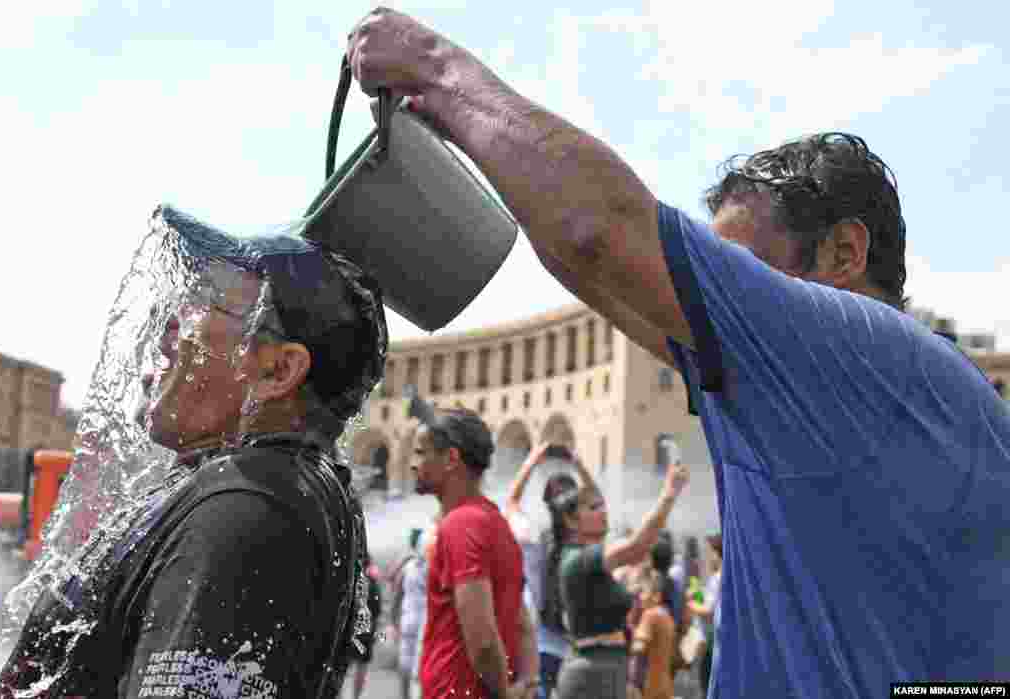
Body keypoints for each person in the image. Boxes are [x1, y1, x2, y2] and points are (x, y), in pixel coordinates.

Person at [347, 9, 1010, 692]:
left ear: (845, 253)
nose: (726, 296)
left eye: (745, 273)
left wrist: (431, 63)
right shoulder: (922, 401)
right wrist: (459, 125)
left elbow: (594, 232)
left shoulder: (862, 354)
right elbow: (602, 273)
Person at [0, 206, 387, 699]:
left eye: (202, 301)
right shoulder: (263, 488)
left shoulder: (247, 511)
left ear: (277, 372)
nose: (166, 330)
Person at [410, 407, 539, 699]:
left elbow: (481, 640)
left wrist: (505, 695)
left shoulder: (461, 524)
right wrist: (529, 684)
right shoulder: (497, 523)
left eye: (421, 453)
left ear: (451, 459)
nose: (412, 464)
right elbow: (523, 625)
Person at [544, 460, 689, 699]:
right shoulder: (578, 559)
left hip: (606, 670)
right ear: (571, 521)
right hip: (592, 676)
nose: (603, 511)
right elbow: (637, 548)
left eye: (601, 505)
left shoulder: (587, 559)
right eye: (593, 508)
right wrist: (668, 494)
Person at [505, 441, 595, 699]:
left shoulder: (531, 539)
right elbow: (597, 501)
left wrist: (532, 459)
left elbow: (511, 501)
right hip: (578, 651)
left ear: (546, 502)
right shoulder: (584, 540)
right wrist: (577, 461)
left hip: (539, 648)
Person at [388, 528, 430, 699]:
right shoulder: (433, 569)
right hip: (425, 624)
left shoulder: (408, 567)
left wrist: (393, 621)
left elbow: (397, 596)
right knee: (420, 671)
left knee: (405, 668)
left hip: (407, 621)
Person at [627, 571, 676, 699]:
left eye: (643, 592)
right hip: (665, 686)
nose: (640, 597)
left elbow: (639, 648)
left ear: (656, 596)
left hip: (649, 688)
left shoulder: (649, 615)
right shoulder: (667, 617)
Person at [688, 534, 722, 696]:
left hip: (712, 644)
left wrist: (690, 605)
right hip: (714, 642)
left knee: (706, 687)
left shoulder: (718, 579)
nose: (708, 557)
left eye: (710, 552)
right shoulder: (718, 578)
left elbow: (708, 611)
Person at [350, 558, 384, 699]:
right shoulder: (373, 584)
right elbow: (377, 610)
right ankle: (356, 696)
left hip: (350, 630)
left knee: (344, 666)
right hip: (366, 631)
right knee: (361, 667)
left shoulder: (351, 581)